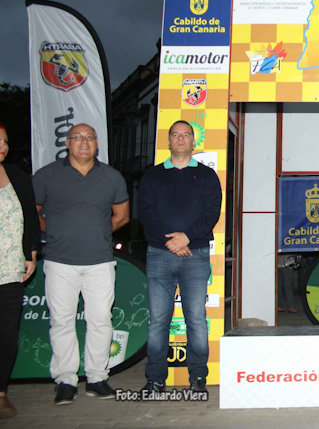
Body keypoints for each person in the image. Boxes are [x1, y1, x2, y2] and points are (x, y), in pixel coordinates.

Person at [32, 123, 129, 405]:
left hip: (99, 261)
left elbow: (122, 216)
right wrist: (53, 231)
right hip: (59, 262)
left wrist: (98, 232)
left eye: (89, 137)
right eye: (77, 137)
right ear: (67, 143)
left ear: (97, 143)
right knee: (61, 321)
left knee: (100, 320)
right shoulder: (47, 175)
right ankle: (66, 380)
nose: (84, 142)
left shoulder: (111, 177)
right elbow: (32, 212)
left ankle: (97, 377)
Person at [138, 120, 222, 393]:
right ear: (169, 141)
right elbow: (146, 213)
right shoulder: (152, 176)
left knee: (195, 319)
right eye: (176, 135)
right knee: (158, 321)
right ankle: (155, 379)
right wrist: (172, 241)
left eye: (186, 135)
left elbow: (212, 213)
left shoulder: (207, 176)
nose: (181, 139)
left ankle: (198, 378)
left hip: (195, 255)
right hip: (159, 254)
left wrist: (187, 237)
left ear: (193, 141)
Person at [0, 123, 39, 418]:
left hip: (10, 270)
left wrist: (31, 253)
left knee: (7, 335)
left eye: (5, 141)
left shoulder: (17, 177)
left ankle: (1, 393)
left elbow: (30, 219)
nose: (2, 146)